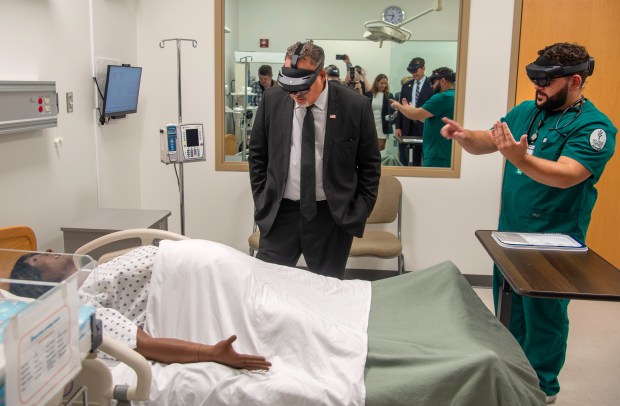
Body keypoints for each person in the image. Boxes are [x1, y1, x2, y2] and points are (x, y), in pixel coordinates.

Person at [440, 42, 616, 404]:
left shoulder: (595, 127)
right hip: (509, 232)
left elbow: (567, 175)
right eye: (535, 79)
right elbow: (488, 140)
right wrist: (463, 137)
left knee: (544, 315)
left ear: (576, 80)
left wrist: (519, 159)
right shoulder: (527, 111)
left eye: (546, 82)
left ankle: (542, 388)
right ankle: (511, 372)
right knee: (509, 307)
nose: (538, 88)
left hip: (555, 238)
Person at [9, 249, 272, 370]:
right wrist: (211, 353)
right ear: (39, 284)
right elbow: (145, 344)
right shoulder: (84, 306)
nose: (49, 250)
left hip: (207, 263)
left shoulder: (96, 271)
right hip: (205, 283)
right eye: (36, 257)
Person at [248, 40, 381, 279]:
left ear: (321, 75)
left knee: (327, 294)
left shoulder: (355, 106)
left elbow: (370, 165)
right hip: (281, 214)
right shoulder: (272, 100)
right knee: (266, 288)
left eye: (302, 89)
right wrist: (261, 199)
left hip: (330, 217)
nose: (295, 96)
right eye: (289, 89)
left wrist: (359, 209)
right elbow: (258, 155)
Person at [390, 67, 456, 167]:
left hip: (437, 154)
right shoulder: (453, 96)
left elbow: (415, 114)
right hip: (444, 152)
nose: (432, 87)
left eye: (434, 83)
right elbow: (427, 119)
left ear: (442, 81)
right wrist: (409, 109)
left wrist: (398, 106)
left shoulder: (442, 97)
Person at [395, 57, 433, 166]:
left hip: (424, 125)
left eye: (416, 70)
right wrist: (398, 126)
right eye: (412, 71)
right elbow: (401, 107)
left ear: (423, 68)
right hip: (408, 126)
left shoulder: (431, 85)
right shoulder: (406, 86)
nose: (413, 74)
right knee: (407, 157)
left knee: (426, 155)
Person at [366, 73, 394, 151]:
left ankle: (377, 163)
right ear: (376, 82)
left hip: (383, 126)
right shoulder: (369, 94)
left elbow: (393, 112)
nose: (383, 85)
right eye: (381, 83)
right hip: (370, 125)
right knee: (371, 149)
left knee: (380, 148)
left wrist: (392, 118)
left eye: (385, 83)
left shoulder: (389, 95)